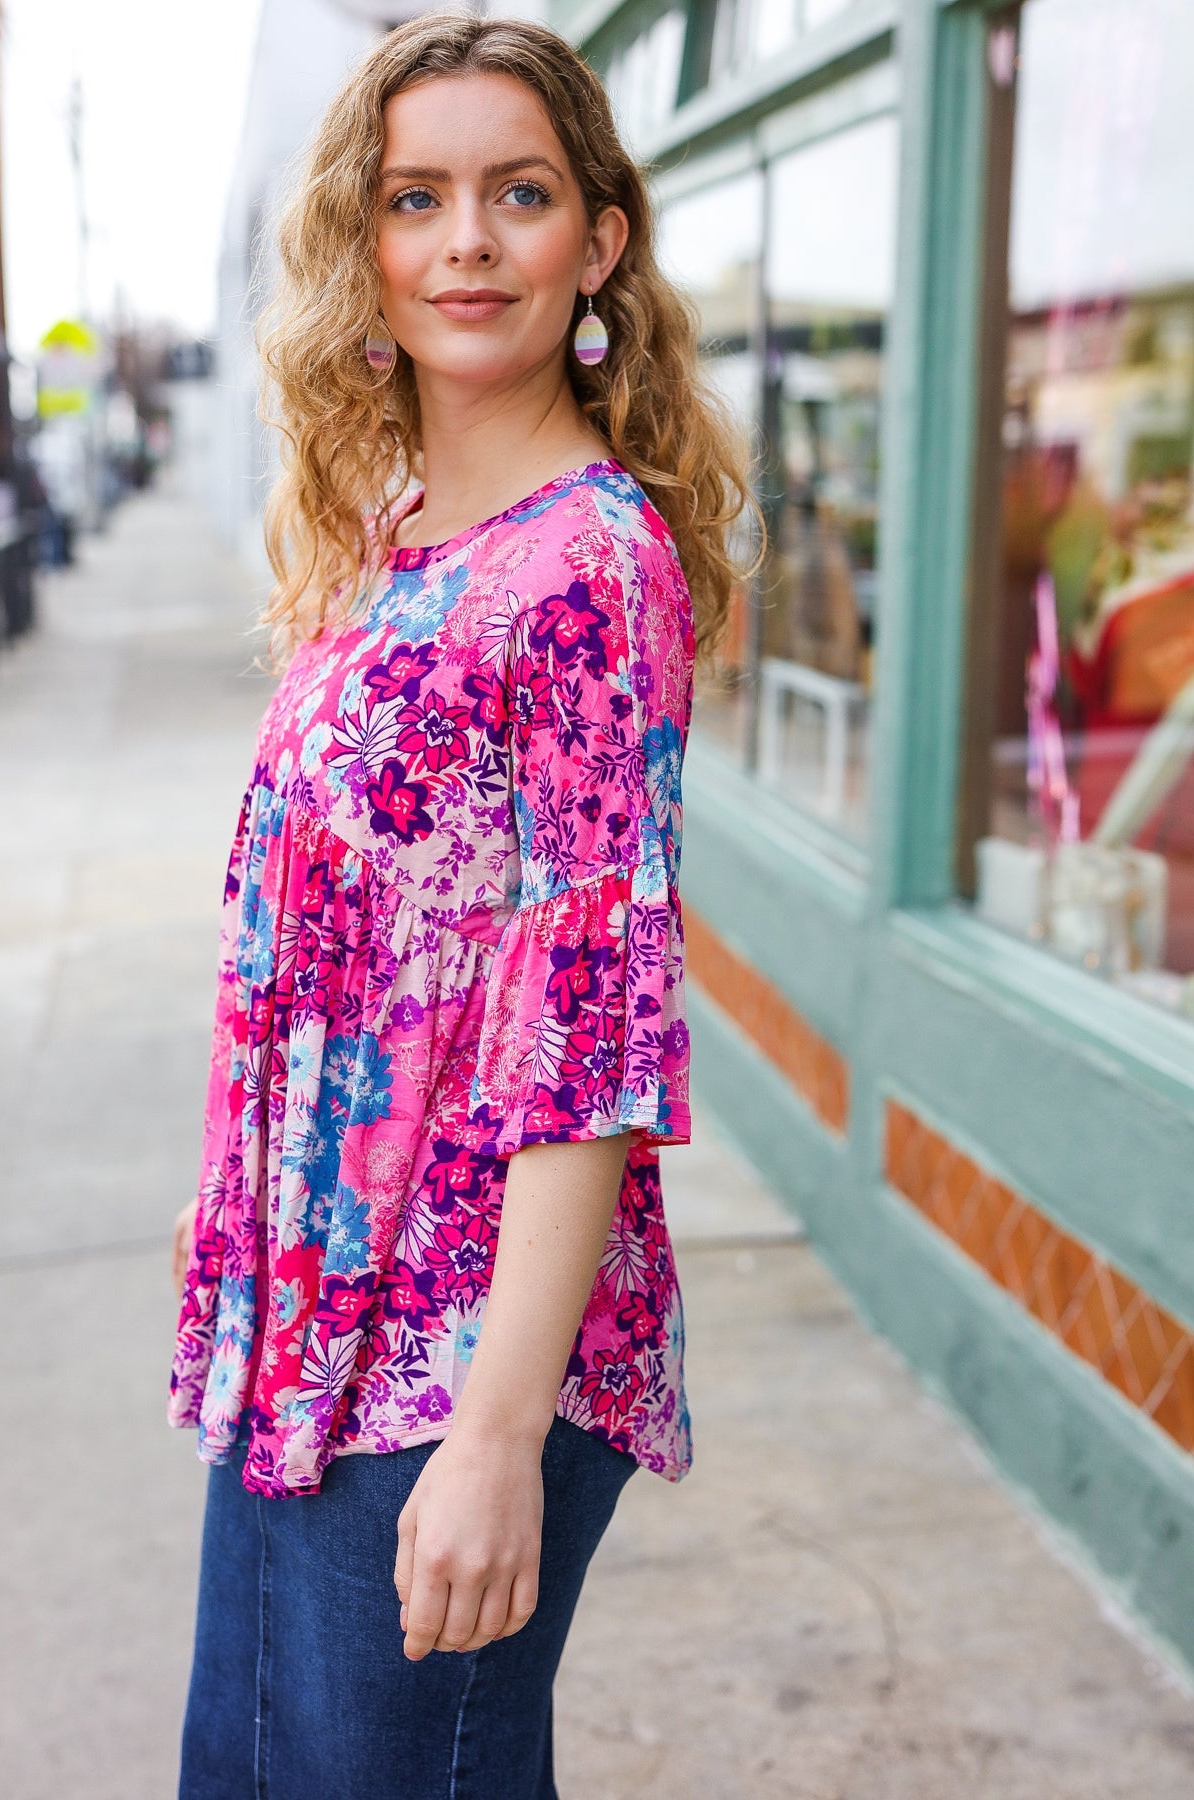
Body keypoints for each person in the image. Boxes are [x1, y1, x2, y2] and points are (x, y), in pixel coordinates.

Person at [168, 13, 754, 1796]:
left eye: (521, 193)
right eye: (417, 198)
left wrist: (497, 1434)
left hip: (453, 1344)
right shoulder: (400, 531)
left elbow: (594, 1032)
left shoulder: (590, 566)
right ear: (367, 241)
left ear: (600, 240)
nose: (468, 243)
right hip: (312, 1310)